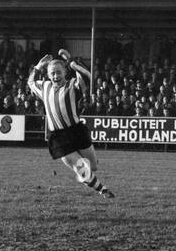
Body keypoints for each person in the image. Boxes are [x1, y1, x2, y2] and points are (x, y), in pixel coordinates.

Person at [27, 49, 113, 198]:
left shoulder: (72, 85)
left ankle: (88, 177)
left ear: (65, 72)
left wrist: (71, 61)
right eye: (52, 73)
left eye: (58, 72)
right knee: (80, 167)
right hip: (58, 137)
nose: (55, 76)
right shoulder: (44, 87)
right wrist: (39, 65)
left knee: (92, 166)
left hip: (77, 131)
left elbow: (87, 77)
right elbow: (30, 82)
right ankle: (102, 190)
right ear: (48, 75)